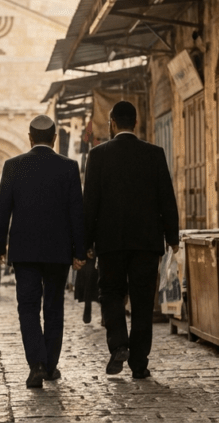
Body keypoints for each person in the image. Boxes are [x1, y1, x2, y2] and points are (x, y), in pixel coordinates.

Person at [83, 100, 179, 379]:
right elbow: (167, 199)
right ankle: (139, 363)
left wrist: (86, 242)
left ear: (112, 123)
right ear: (136, 123)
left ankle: (118, 345)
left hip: (110, 242)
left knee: (111, 293)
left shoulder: (98, 155)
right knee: (141, 301)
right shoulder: (154, 153)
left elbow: (90, 203)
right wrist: (172, 236)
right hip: (147, 243)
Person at [0, 115, 85, 389]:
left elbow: (2, 210)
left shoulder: (13, 166)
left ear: (29, 138)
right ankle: (51, 365)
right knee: (54, 307)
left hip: (25, 253)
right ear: (54, 138)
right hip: (58, 253)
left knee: (28, 308)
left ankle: (38, 364)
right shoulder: (68, 167)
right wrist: (80, 251)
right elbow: (76, 213)